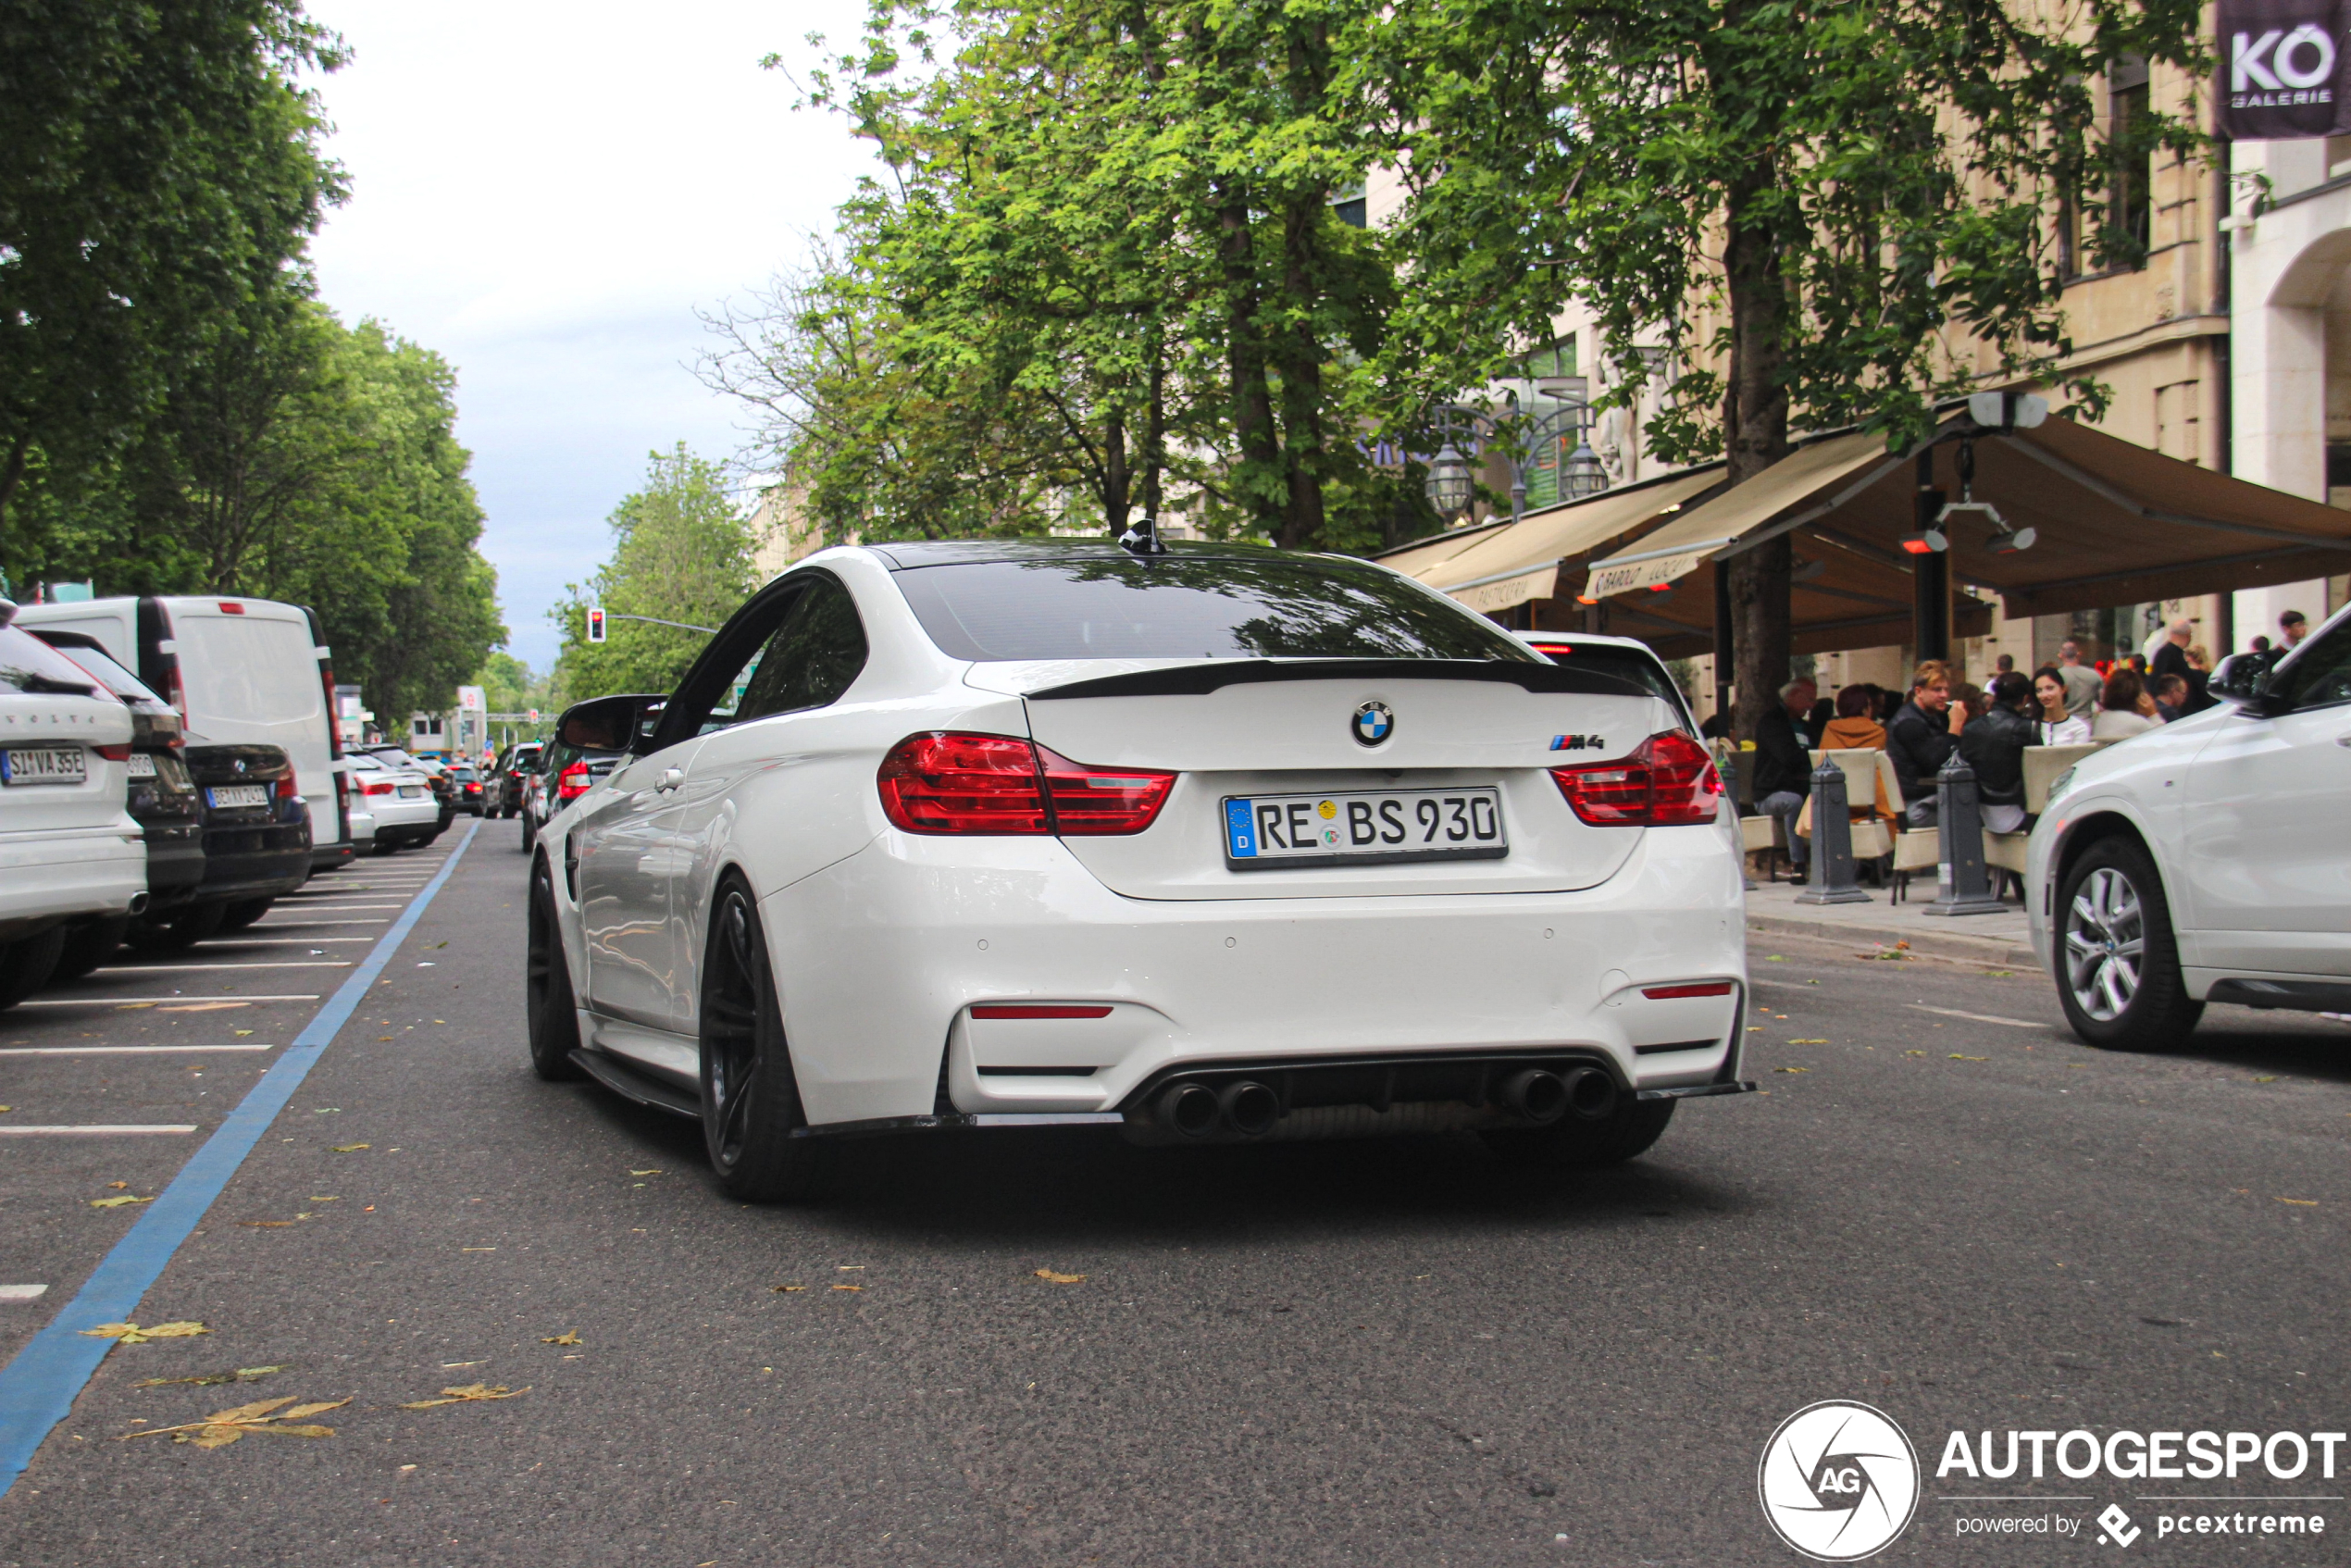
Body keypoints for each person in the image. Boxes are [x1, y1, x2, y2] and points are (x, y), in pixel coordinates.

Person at [1749, 678, 1819, 883]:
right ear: (1793, 696)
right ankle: (1798, 864)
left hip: (1805, 787)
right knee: (1793, 801)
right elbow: (1789, 757)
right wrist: (1810, 757)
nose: (1811, 706)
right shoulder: (1772, 723)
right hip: (1770, 793)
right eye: (1809, 699)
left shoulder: (1806, 727)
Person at [1959, 672, 2037, 835]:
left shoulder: (1970, 728)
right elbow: (2038, 774)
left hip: (1980, 811)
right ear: (2025, 699)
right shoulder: (2026, 728)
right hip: (2016, 812)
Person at [1887, 661, 1964, 826]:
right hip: (1919, 806)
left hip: (1929, 797)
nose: (1944, 695)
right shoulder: (1908, 724)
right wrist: (1956, 726)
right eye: (1937, 690)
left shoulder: (1932, 716)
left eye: (1946, 690)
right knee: (1974, 817)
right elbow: (1937, 764)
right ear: (1919, 691)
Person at [2092, 667, 2159, 740]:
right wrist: (2153, 714)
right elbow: (2162, 740)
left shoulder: (2101, 719)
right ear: (2138, 696)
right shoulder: (2138, 723)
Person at [2031, 666, 2092, 744]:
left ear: (2063, 689)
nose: (2044, 695)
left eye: (2050, 688)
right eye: (2039, 690)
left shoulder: (2079, 728)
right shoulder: (2031, 726)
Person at [1821, 685, 1886, 750]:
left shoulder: (1830, 729)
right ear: (1864, 709)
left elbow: (1822, 759)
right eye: (1869, 705)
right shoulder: (1879, 733)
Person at [2056, 640, 2101, 718]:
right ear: (2079, 654)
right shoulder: (2094, 675)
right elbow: (2102, 702)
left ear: (2060, 655)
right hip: (2086, 722)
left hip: (2064, 722)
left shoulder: (2055, 677)